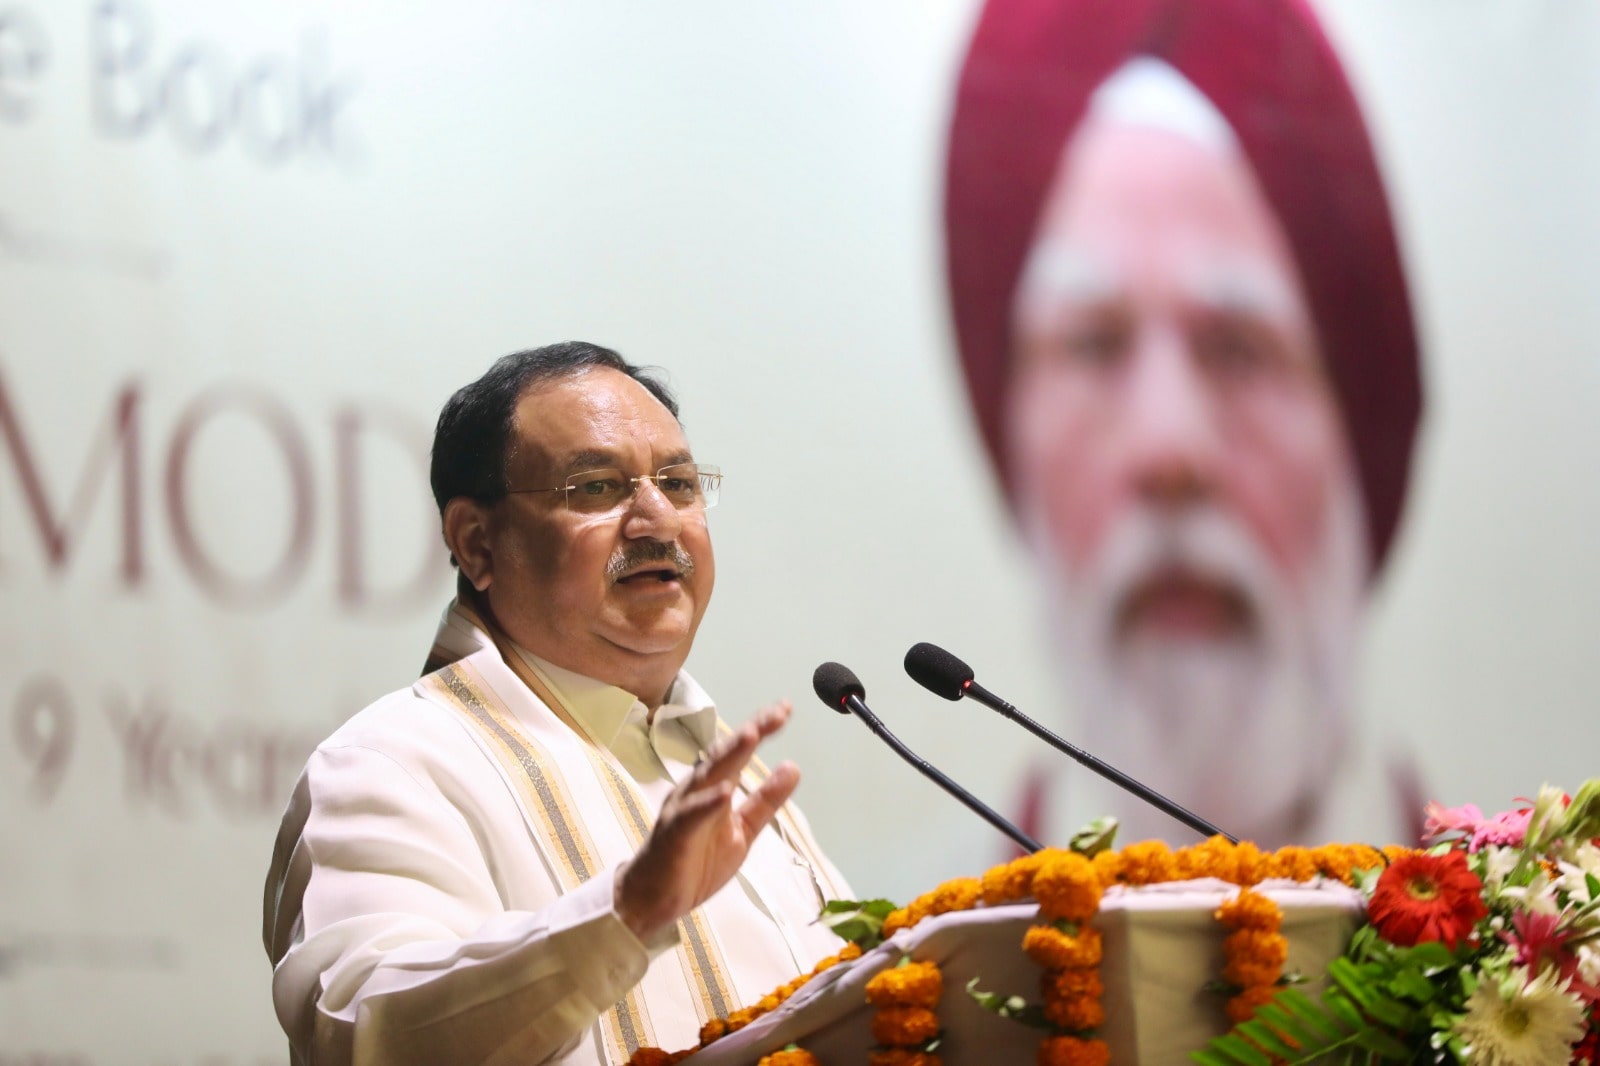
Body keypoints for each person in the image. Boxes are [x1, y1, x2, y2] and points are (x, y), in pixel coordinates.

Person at [262, 342, 849, 1065]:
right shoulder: (392, 765)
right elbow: (364, 1034)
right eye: (598, 488)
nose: (657, 520)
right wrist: (626, 914)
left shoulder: (740, 780)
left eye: (680, 483)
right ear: (476, 543)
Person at [944, 0, 1425, 849]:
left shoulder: (1547, 960)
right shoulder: (904, 970)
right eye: (1091, 346)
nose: (1168, 449)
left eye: (1242, 350)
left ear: (1356, 440)